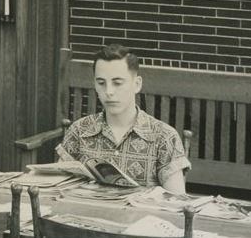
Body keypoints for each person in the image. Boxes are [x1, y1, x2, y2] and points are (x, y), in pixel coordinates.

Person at [48, 47, 189, 194]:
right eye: (101, 83)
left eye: (117, 83)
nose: (109, 91)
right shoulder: (79, 130)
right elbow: (56, 188)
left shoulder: (164, 137)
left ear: (137, 84)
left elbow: (176, 203)